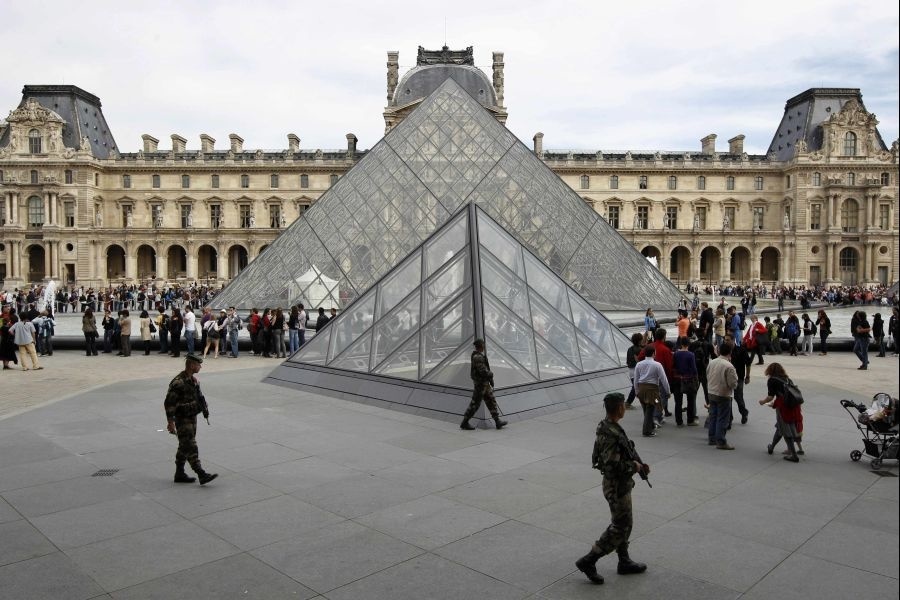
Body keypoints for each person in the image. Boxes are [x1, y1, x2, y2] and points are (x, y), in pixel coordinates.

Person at [575, 392, 649, 585]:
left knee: (626, 523)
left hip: (620, 485)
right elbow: (610, 465)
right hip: (616, 487)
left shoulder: (608, 426)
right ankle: (589, 560)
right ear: (619, 408)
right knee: (620, 527)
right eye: (623, 405)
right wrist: (635, 467)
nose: (625, 407)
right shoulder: (610, 433)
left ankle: (624, 561)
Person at [164, 354, 218, 485]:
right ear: (192, 365)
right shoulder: (178, 382)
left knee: (184, 445)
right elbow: (169, 403)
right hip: (182, 419)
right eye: (198, 364)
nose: (200, 366)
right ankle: (201, 473)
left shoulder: (192, 380)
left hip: (191, 417)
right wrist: (170, 422)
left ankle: (179, 473)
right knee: (191, 446)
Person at [759, 362, 803, 462]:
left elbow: (771, 396)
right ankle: (771, 447)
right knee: (781, 428)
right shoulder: (787, 379)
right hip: (793, 406)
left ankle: (793, 454)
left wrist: (763, 401)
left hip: (784, 408)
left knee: (786, 430)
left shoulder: (772, 380)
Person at [460, 338, 507, 430]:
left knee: (491, 400)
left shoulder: (479, 356)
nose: (484, 347)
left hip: (484, 383)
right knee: (475, 404)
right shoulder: (477, 357)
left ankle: (497, 421)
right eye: (483, 345)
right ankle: (464, 422)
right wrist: (491, 375)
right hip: (480, 384)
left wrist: (489, 379)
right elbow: (483, 371)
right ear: (481, 346)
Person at [633, 344, 670, 437]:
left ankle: (651, 426)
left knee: (645, 409)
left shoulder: (639, 364)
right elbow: (663, 379)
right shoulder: (657, 365)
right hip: (653, 391)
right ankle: (647, 431)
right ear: (654, 353)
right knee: (651, 408)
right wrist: (668, 391)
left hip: (641, 389)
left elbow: (636, 379)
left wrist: (636, 391)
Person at [706, 342, 738, 450]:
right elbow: (733, 384)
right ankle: (720, 441)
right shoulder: (729, 366)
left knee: (713, 416)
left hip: (711, 392)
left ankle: (712, 438)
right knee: (722, 418)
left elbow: (707, 375)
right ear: (730, 352)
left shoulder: (712, 362)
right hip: (723, 394)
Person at [724, 333, 751, 425]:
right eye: (725, 340)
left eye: (727, 340)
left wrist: (747, 376)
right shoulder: (724, 351)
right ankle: (729, 418)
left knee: (738, 397)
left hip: (738, 378)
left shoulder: (741, 350)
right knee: (728, 398)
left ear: (733, 340)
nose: (725, 341)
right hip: (726, 378)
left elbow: (748, 364)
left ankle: (744, 412)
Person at [672, 336, 699, 427]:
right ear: (688, 344)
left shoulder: (676, 354)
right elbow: (694, 369)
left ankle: (679, 421)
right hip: (688, 379)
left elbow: (674, 366)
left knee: (678, 402)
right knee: (690, 400)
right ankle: (690, 420)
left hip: (677, 379)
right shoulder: (691, 355)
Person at [624, 333, 644, 409]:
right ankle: (628, 403)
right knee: (635, 387)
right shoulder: (639, 350)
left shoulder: (630, 348)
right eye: (641, 339)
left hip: (631, 370)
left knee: (635, 386)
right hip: (637, 370)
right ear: (639, 341)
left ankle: (628, 403)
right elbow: (639, 361)